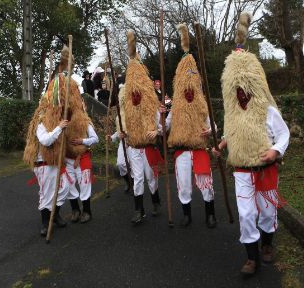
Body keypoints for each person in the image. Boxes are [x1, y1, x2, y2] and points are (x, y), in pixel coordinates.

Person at [212, 12, 290, 275]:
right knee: (246, 215)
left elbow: (284, 135)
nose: (241, 92)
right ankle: (251, 257)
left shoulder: (267, 110)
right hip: (242, 170)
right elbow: (229, 134)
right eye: (236, 88)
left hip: (266, 169)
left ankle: (267, 244)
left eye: (245, 87)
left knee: (267, 213)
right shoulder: (232, 114)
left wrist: (275, 150)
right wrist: (221, 146)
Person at [164, 23, 217, 228]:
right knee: (184, 186)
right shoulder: (175, 109)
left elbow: (213, 125)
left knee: (206, 184)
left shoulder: (202, 106)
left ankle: (210, 214)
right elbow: (165, 126)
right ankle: (186, 214)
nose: (188, 91)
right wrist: (158, 124)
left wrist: (210, 130)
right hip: (182, 152)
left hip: (199, 150)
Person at [23, 45, 74, 237]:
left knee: (64, 189)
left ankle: (57, 214)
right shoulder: (40, 122)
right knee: (46, 195)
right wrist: (59, 127)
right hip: (42, 164)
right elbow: (45, 140)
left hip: (53, 162)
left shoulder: (52, 119)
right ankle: (45, 223)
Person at [124, 31, 163, 224]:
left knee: (150, 178)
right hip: (133, 148)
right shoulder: (127, 107)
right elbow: (124, 125)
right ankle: (139, 210)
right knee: (137, 178)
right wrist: (123, 133)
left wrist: (156, 131)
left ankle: (156, 201)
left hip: (148, 147)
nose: (135, 94)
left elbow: (162, 126)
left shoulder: (151, 105)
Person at [65, 98, 99, 224]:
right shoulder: (62, 121)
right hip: (67, 159)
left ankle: (87, 211)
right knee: (69, 184)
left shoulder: (85, 122)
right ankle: (75, 210)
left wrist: (82, 141)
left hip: (82, 158)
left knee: (85, 184)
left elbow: (95, 139)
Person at [107, 83, 132, 193]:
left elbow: (138, 129)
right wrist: (112, 137)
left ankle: (134, 185)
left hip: (133, 142)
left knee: (132, 165)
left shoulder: (133, 113)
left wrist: (127, 134)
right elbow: (119, 131)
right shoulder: (119, 115)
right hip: (123, 143)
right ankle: (128, 181)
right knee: (121, 164)